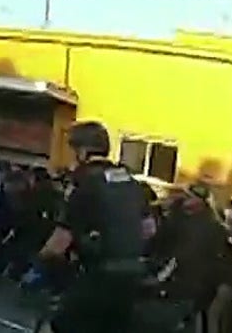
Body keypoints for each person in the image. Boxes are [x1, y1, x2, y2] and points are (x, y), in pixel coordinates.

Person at [38, 121, 149, 333]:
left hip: (96, 279)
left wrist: (43, 257)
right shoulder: (132, 183)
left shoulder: (84, 182)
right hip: (130, 282)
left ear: (82, 151)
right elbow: (149, 229)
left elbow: (60, 241)